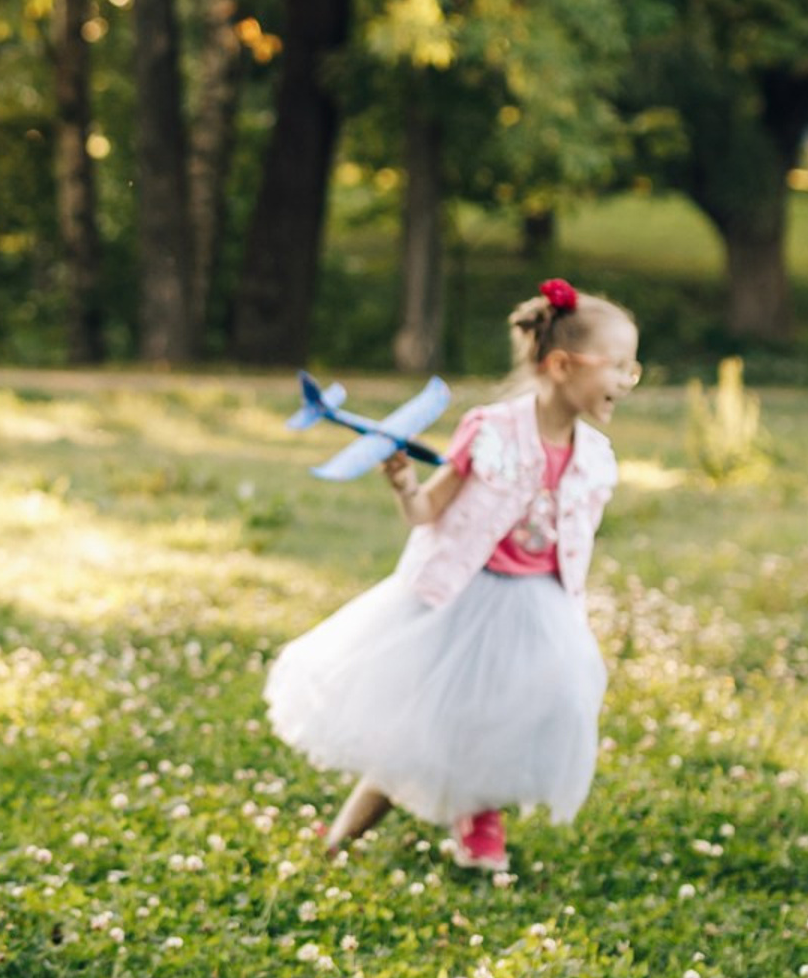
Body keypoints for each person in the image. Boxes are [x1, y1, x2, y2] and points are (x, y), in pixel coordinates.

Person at [265, 278, 634, 874]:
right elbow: (425, 511)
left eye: (630, 369)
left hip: (541, 611)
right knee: (419, 733)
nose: (626, 381)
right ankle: (342, 837)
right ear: (562, 364)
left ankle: (478, 812)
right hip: (462, 601)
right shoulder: (491, 430)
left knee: (528, 713)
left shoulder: (593, 454)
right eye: (617, 366)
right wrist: (404, 485)